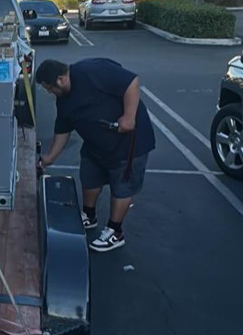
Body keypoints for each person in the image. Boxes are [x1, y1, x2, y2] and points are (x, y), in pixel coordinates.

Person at [35, 57, 155, 253]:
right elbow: (63, 129)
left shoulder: (91, 71)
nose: (50, 93)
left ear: (61, 80)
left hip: (128, 143)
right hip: (95, 145)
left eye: (50, 88)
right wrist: (49, 158)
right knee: (90, 177)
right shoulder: (64, 100)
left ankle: (115, 231)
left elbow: (131, 82)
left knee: (122, 187)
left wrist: (129, 117)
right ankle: (89, 215)